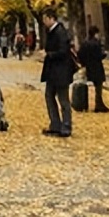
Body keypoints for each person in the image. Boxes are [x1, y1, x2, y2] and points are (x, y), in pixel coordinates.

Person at [39, 8, 74, 138]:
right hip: (53, 72)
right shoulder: (53, 32)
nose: (43, 21)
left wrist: (48, 55)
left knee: (63, 99)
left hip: (61, 72)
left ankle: (65, 126)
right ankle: (55, 124)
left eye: (45, 19)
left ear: (51, 18)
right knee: (49, 96)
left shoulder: (60, 32)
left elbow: (63, 51)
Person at [77, 25, 109, 112]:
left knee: (86, 84)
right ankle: (99, 104)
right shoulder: (96, 43)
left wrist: (83, 64)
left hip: (88, 67)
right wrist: (104, 54)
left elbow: (80, 54)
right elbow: (99, 55)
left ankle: (83, 103)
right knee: (98, 87)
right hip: (97, 67)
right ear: (95, 34)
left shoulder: (85, 43)